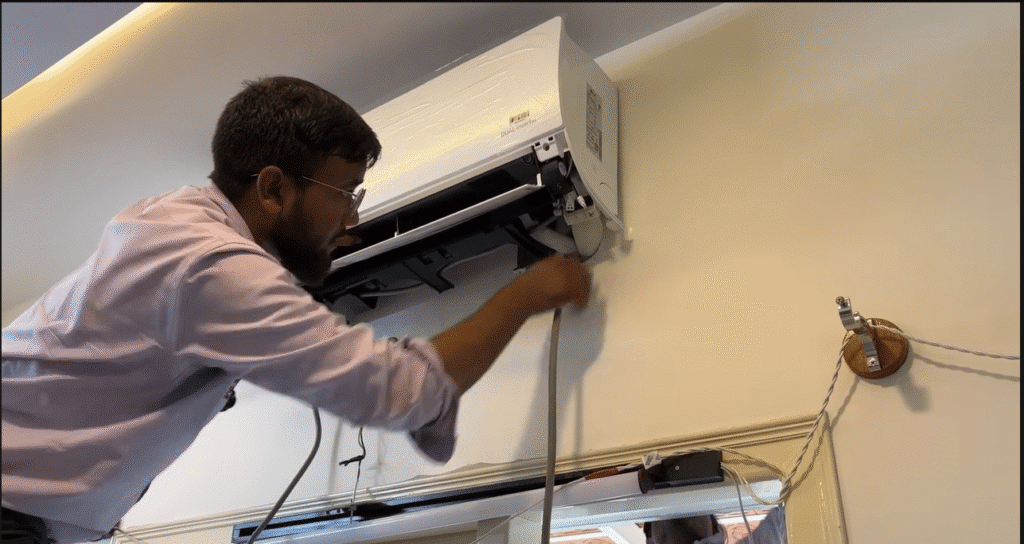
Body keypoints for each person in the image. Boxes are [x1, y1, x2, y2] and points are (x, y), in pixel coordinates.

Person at [1, 76, 592, 544]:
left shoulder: (173, 220)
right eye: (345, 194)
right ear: (272, 189)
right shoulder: (211, 265)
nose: (354, 218)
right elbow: (397, 391)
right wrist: (529, 292)